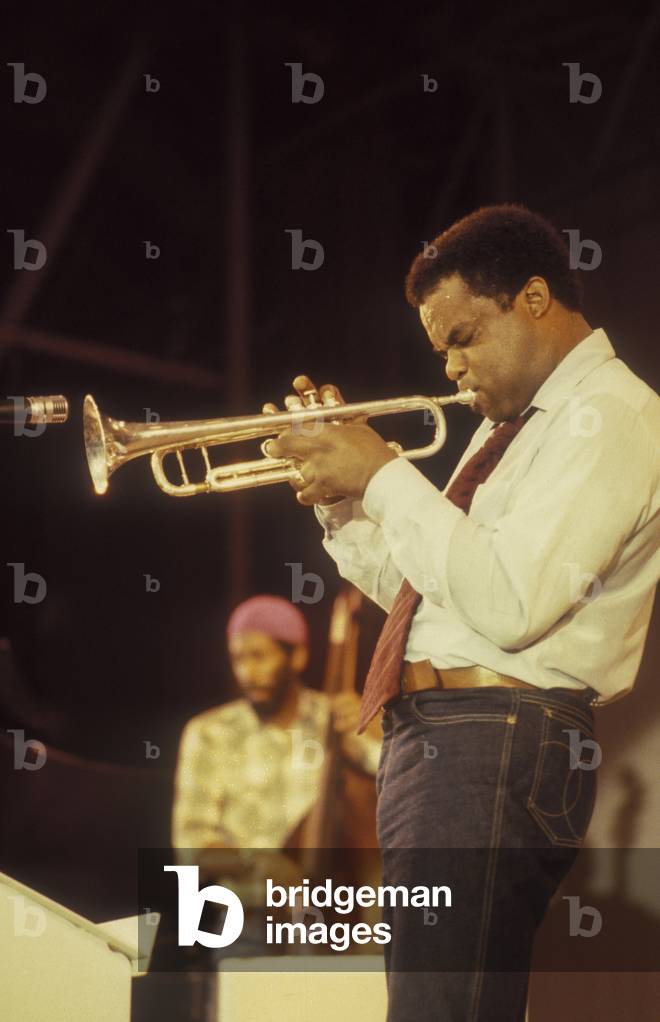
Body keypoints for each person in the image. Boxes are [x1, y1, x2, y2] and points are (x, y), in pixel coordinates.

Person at [265, 204, 660, 1020]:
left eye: (463, 338)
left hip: (495, 734)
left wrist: (382, 474)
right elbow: (431, 595)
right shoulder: (505, 431)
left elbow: (511, 605)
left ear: (535, 299)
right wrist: (342, 498)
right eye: (440, 348)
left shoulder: (611, 412)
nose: (450, 368)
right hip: (446, 735)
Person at [172, 594, 380, 866]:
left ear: (297, 657)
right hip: (244, 893)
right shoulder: (209, 733)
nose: (247, 673)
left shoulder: (333, 719)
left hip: (331, 890)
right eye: (238, 659)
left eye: (259, 657)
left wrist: (379, 729)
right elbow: (191, 847)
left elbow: (398, 778)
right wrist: (259, 865)